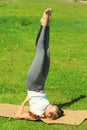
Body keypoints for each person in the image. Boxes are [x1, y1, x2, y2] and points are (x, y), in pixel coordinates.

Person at [15, 8, 64, 120]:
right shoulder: (46, 109)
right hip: (41, 82)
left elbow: (18, 115)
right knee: (46, 52)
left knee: (41, 52)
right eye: (52, 105)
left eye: (50, 108)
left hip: (33, 83)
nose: (50, 105)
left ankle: (44, 23)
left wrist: (25, 101)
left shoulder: (37, 114)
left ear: (48, 115)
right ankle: (47, 24)